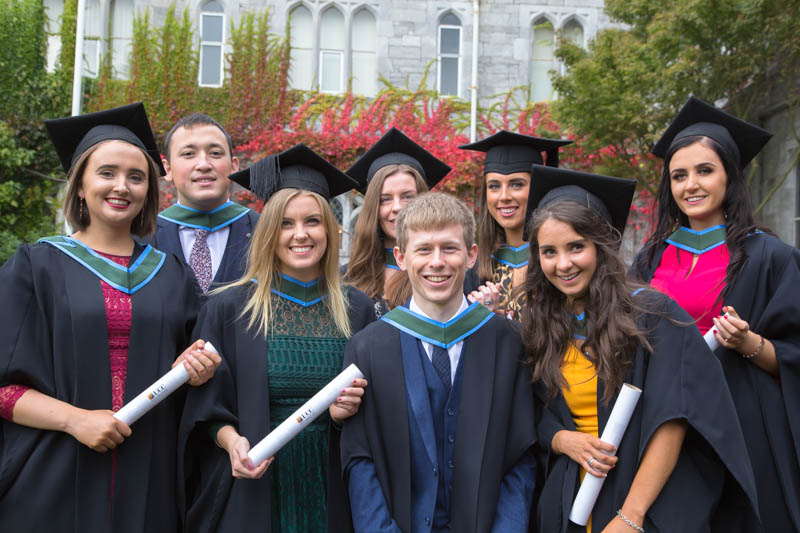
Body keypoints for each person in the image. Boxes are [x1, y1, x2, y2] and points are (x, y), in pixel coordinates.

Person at [0, 103, 220, 532]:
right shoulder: (36, 266)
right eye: (106, 173)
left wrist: (197, 369)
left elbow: (196, 374)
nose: (122, 186)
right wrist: (75, 418)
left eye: (136, 177)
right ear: (80, 185)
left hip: (149, 475)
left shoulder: (172, 274)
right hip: (53, 470)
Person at [520, 165, 759, 533]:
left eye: (576, 247)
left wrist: (631, 517)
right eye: (549, 252)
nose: (563, 264)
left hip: (637, 501)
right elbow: (529, 409)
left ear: (601, 246)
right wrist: (560, 439)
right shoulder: (540, 324)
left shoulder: (650, 314)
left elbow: (674, 419)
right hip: (567, 500)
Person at [178, 143, 375, 533]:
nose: (300, 234)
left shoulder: (357, 309)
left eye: (312, 222)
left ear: (330, 230)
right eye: (286, 223)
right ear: (269, 231)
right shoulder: (230, 308)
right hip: (255, 486)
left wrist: (343, 417)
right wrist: (231, 442)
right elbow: (206, 407)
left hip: (333, 486)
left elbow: (376, 410)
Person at [631, 95, 800, 532]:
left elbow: (793, 352)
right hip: (669, 422)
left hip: (744, 426)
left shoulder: (770, 257)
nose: (691, 185)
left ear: (730, 175)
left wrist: (749, 344)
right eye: (679, 175)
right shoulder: (650, 259)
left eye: (705, 171)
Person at [341, 192, 537, 533]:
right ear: (401, 257)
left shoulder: (509, 343)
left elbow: (520, 455)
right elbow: (361, 460)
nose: (437, 261)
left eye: (449, 248)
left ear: (471, 254)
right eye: (423, 249)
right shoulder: (368, 348)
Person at [344, 127, 453, 318]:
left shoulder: (443, 273)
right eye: (385, 199)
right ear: (373, 208)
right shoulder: (346, 277)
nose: (397, 207)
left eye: (407, 197)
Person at [459, 130, 572, 315]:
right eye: (494, 186)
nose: (504, 197)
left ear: (537, 187)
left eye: (517, 184)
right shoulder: (478, 269)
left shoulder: (558, 264)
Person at [152, 113, 259, 292]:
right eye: (188, 154)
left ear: (234, 166)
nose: (203, 164)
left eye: (215, 153)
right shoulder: (143, 238)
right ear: (167, 169)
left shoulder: (264, 233)